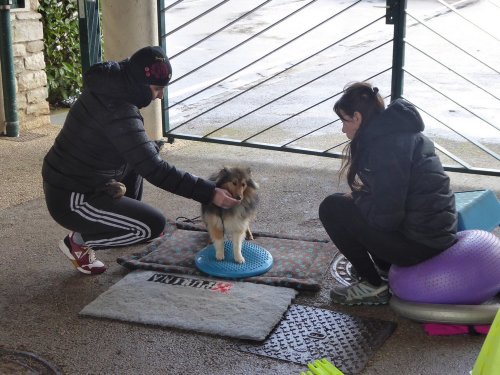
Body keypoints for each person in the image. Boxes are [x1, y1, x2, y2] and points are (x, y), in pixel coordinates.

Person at [42, 46, 240, 275]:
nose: (160, 96)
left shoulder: (114, 85)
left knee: (144, 157)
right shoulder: (117, 108)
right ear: (139, 84)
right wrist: (210, 193)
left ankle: (129, 224)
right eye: (157, 89)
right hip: (71, 197)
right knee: (152, 226)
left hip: (88, 179)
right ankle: (77, 241)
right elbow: (155, 169)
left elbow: (141, 155)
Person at [319, 82, 457, 305]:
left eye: (344, 121)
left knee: (332, 208)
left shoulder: (384, 148)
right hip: (435, 235)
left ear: (357, 117)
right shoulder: (398, 134)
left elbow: (386, 219)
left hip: (422, 246)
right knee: (348, 203)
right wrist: (362, 197)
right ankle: (384, 267)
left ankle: (373, 285)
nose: (343, 129)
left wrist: (359, 198)